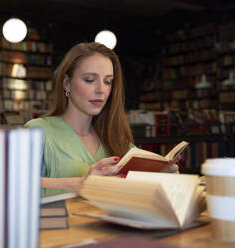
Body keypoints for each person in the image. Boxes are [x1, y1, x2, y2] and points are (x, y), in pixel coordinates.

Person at [25, 42, 178, 197]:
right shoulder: (38, 131)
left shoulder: (114, 138)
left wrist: (162, 174)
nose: (101, 90)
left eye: (107, 82)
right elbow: (8, 184)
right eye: (90, 80)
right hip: (59, 221)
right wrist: (80, 184)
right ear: (67, 83)